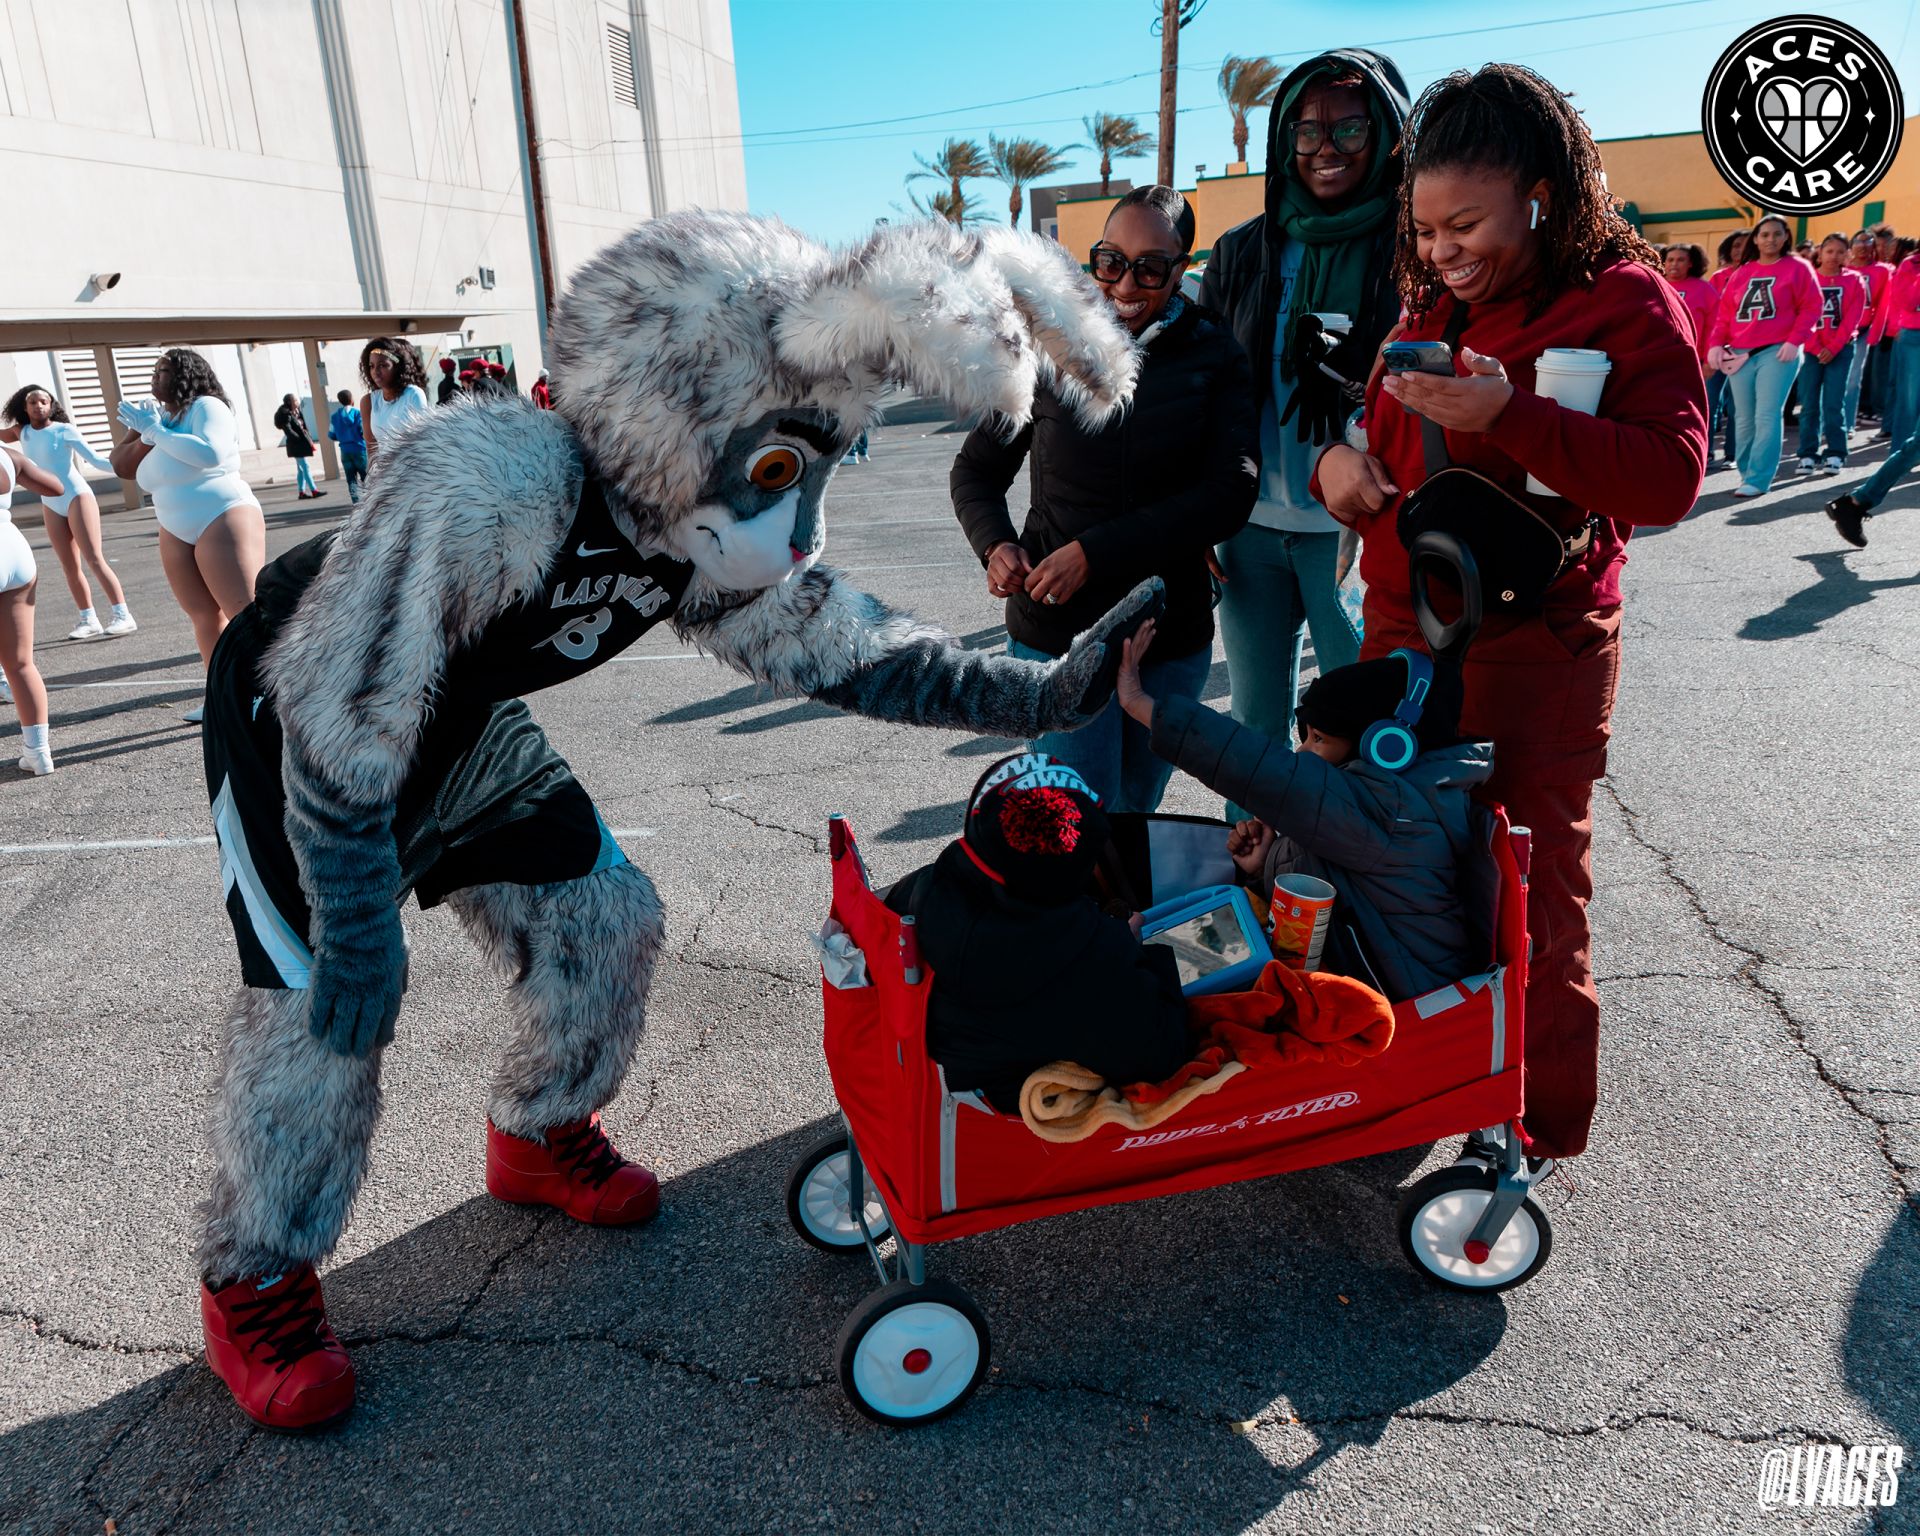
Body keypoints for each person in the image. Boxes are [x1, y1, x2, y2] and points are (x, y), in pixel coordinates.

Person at [184, 208, 1158, 1433]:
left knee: (608, 918)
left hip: (459, 725)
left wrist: (1039, 693)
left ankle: (539, 1131)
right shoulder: (497, 486)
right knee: (324, 1009)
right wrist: (357, 916)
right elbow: (339, 709)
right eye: (773, 472)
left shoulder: (691, 527)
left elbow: (845, 652)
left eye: (813, 471)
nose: (795, 525)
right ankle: (257, 1277)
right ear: (674, 406)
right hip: (305, 724)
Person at [1311, 63, 1707, 1165]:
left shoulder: (1624, 302)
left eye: (1468, 224)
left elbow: (1671, 478)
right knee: (1389, 868)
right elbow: (1370, 434)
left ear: (1542, 193)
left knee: (1528, 893)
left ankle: (1529, 1132)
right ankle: (1399, 1085)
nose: (1445, 251)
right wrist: (1333, 470)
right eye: (1428, 228)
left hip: (1542, 651)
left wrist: (1515, 414)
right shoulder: (1430, 305)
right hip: (1401, 636)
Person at [952, 184, 1258, 813]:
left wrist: (1094, 551)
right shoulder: (1048, 348)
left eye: (1150, 267)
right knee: (1070, 821)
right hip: (1056, 636)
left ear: (1181, 269)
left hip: (1167, 638)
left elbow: (1231, 493)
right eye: (1110, 260)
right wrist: (995, 545)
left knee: (1133, 820)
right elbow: (976, 472)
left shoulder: (1215, 354)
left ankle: (1123, 917)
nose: (1125, 284)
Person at [1198, 50, 1410, 808]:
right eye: (1307, 131)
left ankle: (1348, 889)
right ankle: (1251, 880)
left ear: (1389, 134)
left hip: (1355, 534)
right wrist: (1202, 517)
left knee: (1363, 729)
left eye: (1350, 130)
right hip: (1248, 533)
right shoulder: (1242, 252)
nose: (1326, 149)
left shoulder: (1414, 251)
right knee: (1252, 724)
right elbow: (1204, 394)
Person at [1117, 622, 1489, 1002]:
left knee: (1155, 989)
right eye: (1306, 736)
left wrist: (1143, 706)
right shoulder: (1382, 802)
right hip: (1369, 972)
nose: (1303, 752)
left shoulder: (1391, 808)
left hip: (1411, 1001)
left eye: (1319, 739)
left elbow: (1266, 770)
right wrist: (1267, 865)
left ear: (1387, 747)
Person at [883, 753, 1191, 1111]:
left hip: (932, 1071)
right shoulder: (1087, 959)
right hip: (996, 1112)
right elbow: (1160, 1055)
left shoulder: (922, 888)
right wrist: (1133, 948)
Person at [110, 349, 266, 725]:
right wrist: (147, 432)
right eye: (154, 370)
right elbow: (122, 466)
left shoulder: (207, 407)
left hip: (221, 515)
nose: (155, 377)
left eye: (164, 371)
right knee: (203, 616)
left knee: (244, 615)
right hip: (174, 525)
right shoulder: (158, 418)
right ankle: (222, 699)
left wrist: (158, 432)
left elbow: (210, 453)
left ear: (187, 375)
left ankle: (271, 693)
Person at [0, 386, 136, 639]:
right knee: (69, 566)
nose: (38, 406)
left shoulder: (64, 430)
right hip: (51, 502)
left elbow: (95, 460)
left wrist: (132, 461)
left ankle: (123, 615)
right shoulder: (22, 431)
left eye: (43, 401)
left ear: (52, 405)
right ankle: (89, 619)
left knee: (94, 559)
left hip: (77, 497)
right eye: (32, 402)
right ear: (24, 407)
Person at [1706, 216, 1819, 498]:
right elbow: (1725, 314)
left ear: (1785, 237)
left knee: (1767, 414)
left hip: (1778, 351)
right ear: (1755, 239)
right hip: (1741, 354)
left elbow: (1811, 306)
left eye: (1776, 234)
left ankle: (1759, 477)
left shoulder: (1798, 268)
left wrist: (1795, 341)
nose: (1770, 239)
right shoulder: (1742, 272)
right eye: (1764, 234)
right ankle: (1746, 472)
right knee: (1742, 416)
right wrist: (1716, 344)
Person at [0, 441, 71, 773]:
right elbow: (55, 486)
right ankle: (38, 752)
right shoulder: (7, 454)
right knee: (20, 664)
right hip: (13, 549)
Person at [1796, 234, 1867, 474]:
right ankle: (1807, 453)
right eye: (1829, 251)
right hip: (1810, 350)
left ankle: (1835, 452)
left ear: (1847, 254)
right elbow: (1801, 314)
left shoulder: (1855, 280)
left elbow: (1853, 317)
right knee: (1808, 405)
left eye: (1840, 251)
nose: (1834, 256)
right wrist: (1816, 347)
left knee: (1834, 403)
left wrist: (1834, 347)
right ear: (1820, 252)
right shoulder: (1809, 278)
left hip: (1841, 349)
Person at [1865, 236, 1920, 452]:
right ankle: (1901, 452)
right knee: (1908, 398)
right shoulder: (1910, 264)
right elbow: (1907, 302)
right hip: (1913, 336)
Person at [1705, 229, 1749, 468]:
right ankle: (1706, 451)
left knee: (1737, 406)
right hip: (1717, 349)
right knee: (1710, 403)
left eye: (1743, 245)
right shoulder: (1719, 277)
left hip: (1744, 350)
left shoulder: (1756, 274)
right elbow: (1713, 316)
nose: (1738, 250)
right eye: (1735, 245)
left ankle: (1732, 454)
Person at [1844, 229, 1889, 431]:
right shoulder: (1843, 268)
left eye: (1867, 242)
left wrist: (1875, 333)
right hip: (1837, 329)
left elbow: (1882, 305)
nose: (1862, 247)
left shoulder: (1882, 271)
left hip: (1862, 331)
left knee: (1854, 379)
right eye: (1858, 242)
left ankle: (1848, 423)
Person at [357, 337, 431, 462]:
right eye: (372, 366)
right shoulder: (368, 401)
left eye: (383, 365)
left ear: (397, 366)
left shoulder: (413, 394)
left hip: (412, 471)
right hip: (383, 475)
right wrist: (370, 480)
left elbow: (422, 443)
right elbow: (371, 451)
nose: (375, 371)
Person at [273, 394, 321, 500]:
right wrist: (298, 438)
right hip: (296, 445)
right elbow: (288, 430)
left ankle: (301, 492)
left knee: (301, 469)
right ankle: (314, 490)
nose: (297, 401)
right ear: (289, 402)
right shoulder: (286, 414)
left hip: (301, 443)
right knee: (305, 467)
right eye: (294, 400)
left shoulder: (297, 412)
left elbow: (302, 426)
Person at [327, 389, 368, 504]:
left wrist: (343, 438)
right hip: (359, 449)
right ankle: (369, 501)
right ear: (351, 399)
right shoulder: (358, 413)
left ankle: (356, 503)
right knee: (366, 478)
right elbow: (363, 431)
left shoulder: (334, 417)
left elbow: (331, 435)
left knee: (351, 480)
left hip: (345, 451)